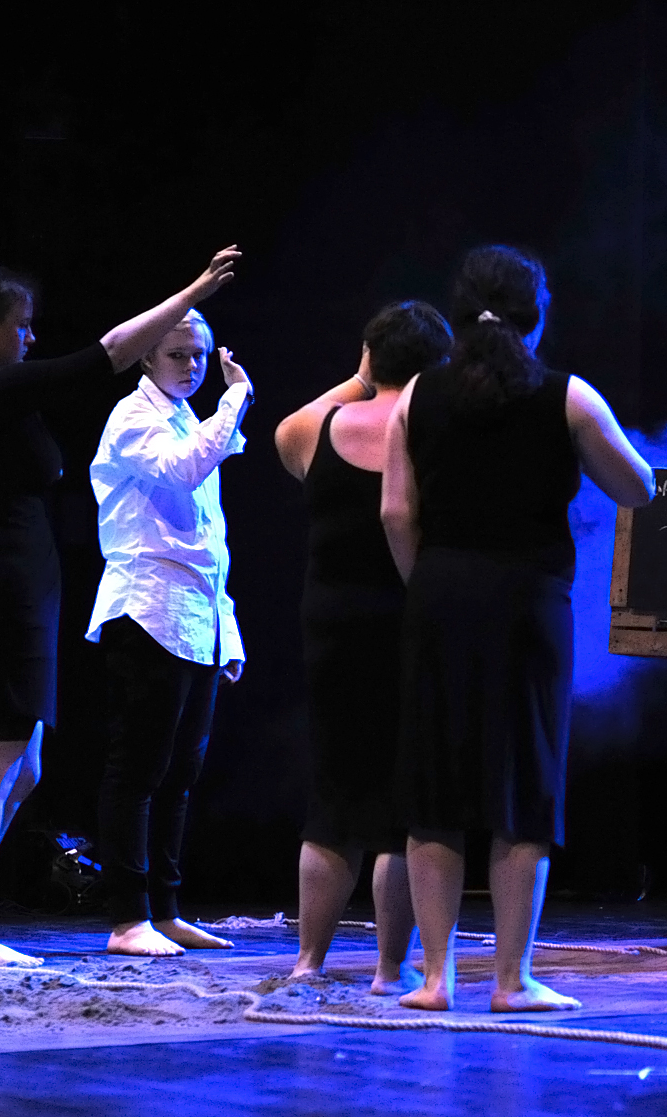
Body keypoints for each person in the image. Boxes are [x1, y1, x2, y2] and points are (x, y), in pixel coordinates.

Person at [0, 247, 240, 966]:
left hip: (11, 596)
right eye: (20, 324)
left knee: (23, 769)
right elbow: (105, 356)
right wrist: (192, 289)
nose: (30, 336)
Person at [381, 245, 653, 1012]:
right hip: (528, 602)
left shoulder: (417, 395)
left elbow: (395, 512)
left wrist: (427, 582)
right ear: (536, 317)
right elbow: (637, 487)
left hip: (439, 594)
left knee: (435, 787)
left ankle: (434, 979)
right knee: (523, 782)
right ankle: (510, 979)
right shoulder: (567, 395)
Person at [273, 300, 453, 986]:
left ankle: (307, 962)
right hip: (408, 624)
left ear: (369, 356)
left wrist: (360, 375)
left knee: (333, 795)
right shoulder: (434, 437)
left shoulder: (314, 431)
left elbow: (290, 424)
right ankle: (387, 968)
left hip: (331, 628)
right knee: (404, 807)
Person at [84, 308, 253, 957]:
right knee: (139, 768)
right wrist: (234, 398)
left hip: (195, 615)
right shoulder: (133, 417)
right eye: (178, 354)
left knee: (181, 771)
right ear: (149, 357)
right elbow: (185, 469)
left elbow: (210, 535)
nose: (192, 366)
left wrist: (226, 628)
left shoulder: (186, 418)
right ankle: (128, 918)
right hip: (147, 609)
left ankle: (166, 909)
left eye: (200, 355)